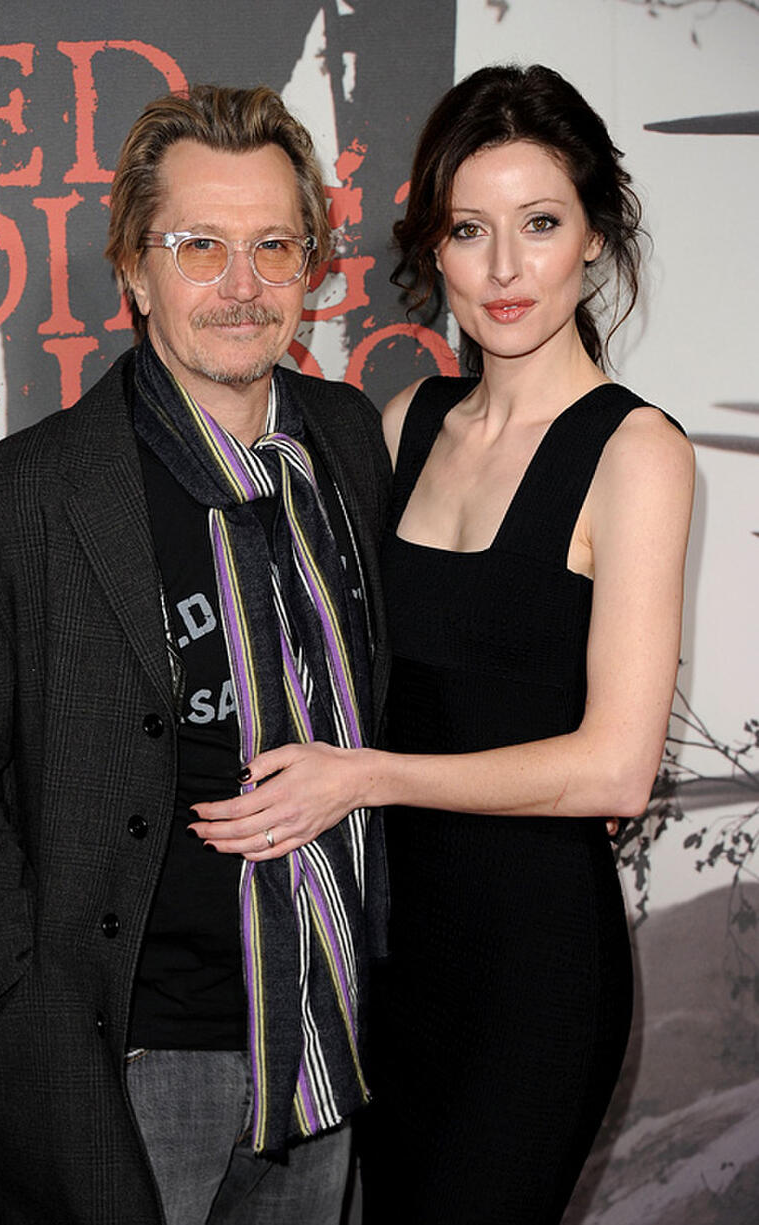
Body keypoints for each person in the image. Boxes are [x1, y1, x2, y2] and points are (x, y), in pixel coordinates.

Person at [187, 64, 695, 1223]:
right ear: (434, 246)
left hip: (533, 971)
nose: (505, 269)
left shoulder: (635, 454)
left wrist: (363, 779)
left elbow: (615, 768)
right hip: (386, 957)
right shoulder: (405, 424)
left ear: (596, 240)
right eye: (471, 229)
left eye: (540, 224)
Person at [0, 84, 391, 1225]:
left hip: (320, 1039)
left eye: (273, 246)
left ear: (310, 267)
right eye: (200, 247)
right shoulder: (7, 503)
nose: (241, 287)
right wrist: (20, 997)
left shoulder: (346, 445)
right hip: (120, 1063)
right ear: (135, 271)